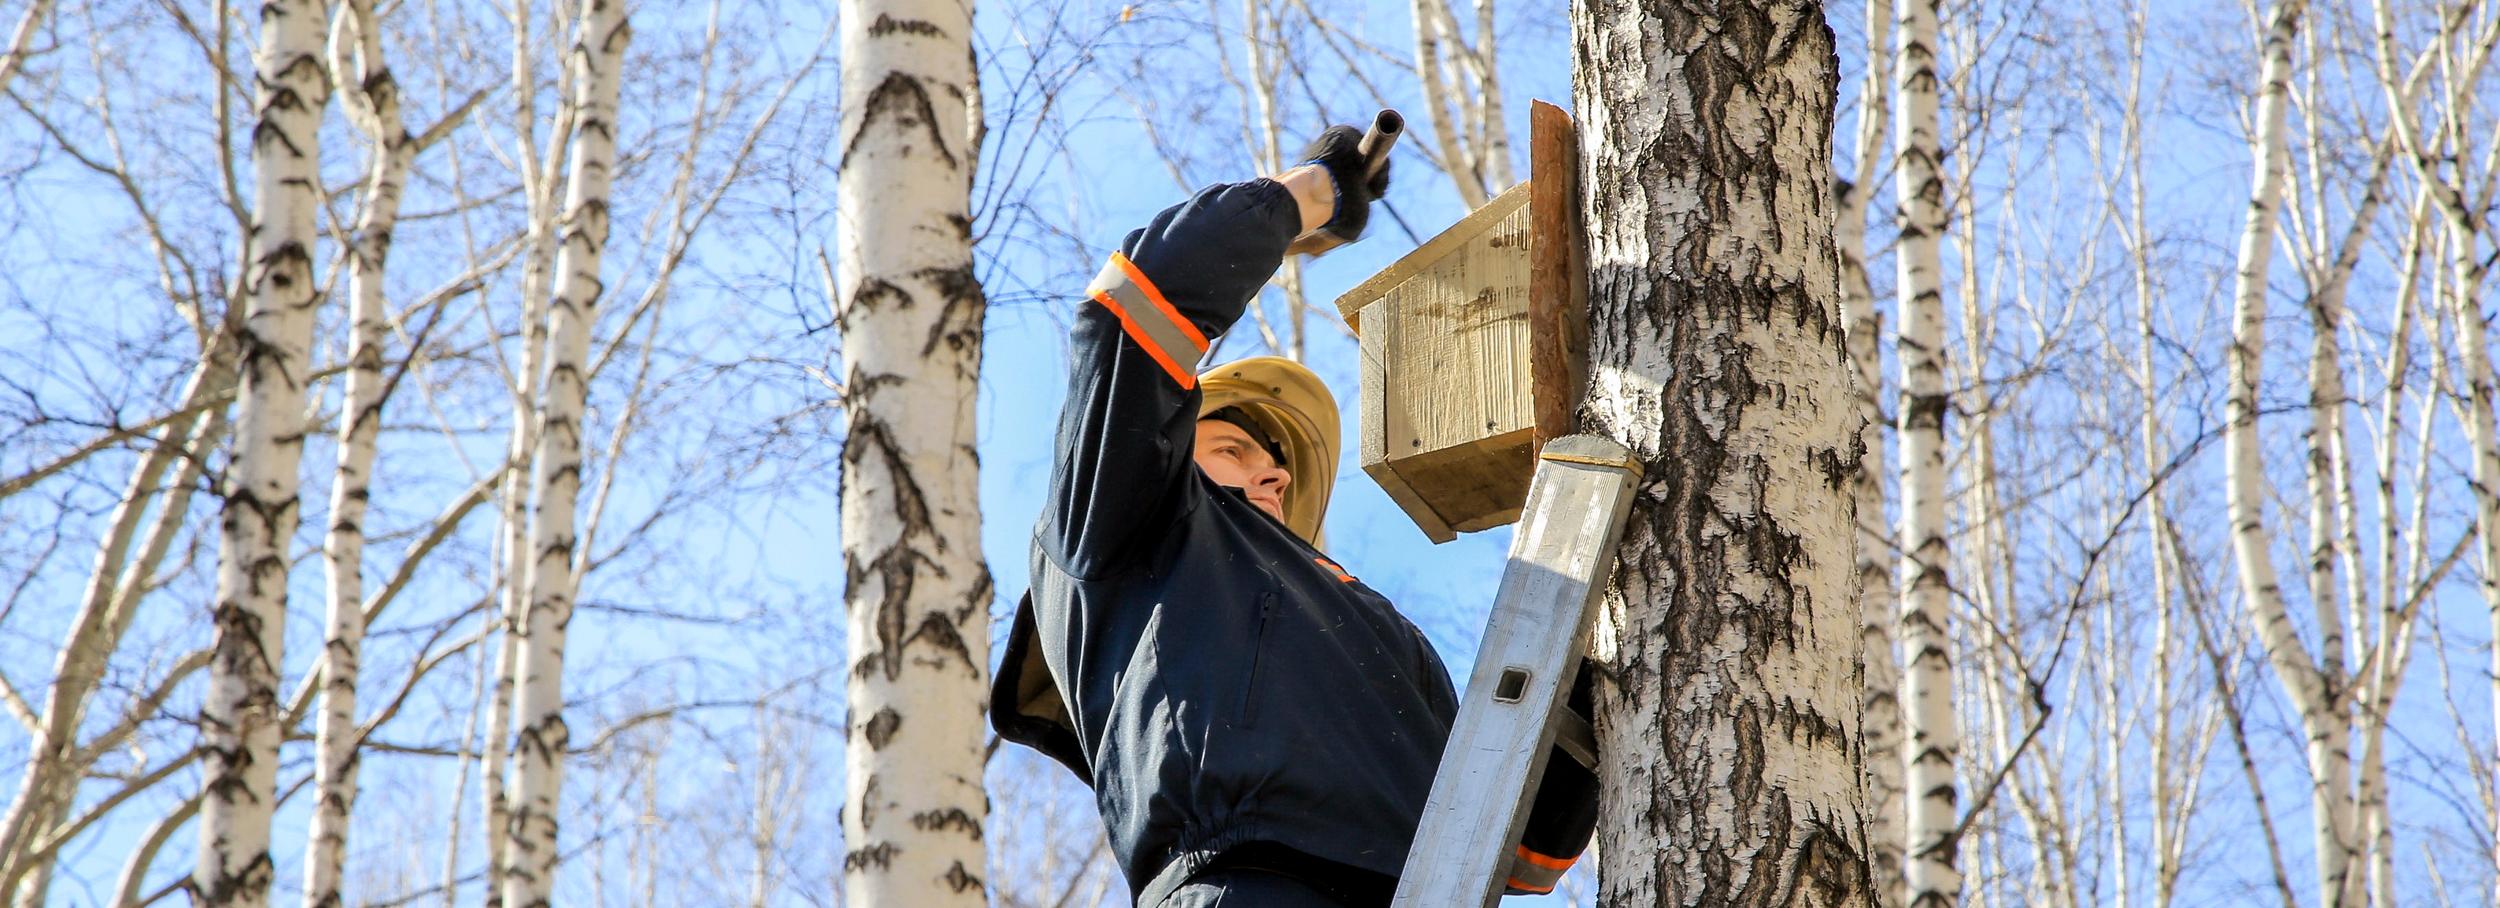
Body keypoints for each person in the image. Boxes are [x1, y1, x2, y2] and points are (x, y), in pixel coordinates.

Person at [992, 124, 1595, 907]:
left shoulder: (1379, 636)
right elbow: (1133, 312)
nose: (1273, 470)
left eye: (1275, 462)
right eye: (1235, 447)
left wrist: (1594, 641)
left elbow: (1523, 846)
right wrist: (1309, 195)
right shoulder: (1117, 523)